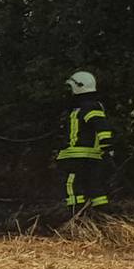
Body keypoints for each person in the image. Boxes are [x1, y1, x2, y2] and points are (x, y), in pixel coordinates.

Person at [57, 70, 113, 211]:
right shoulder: (83, 107)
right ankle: (103, 218)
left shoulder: (88, 107)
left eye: (70, 87)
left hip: (77, 157)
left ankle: (77, 218)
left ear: (78, 87)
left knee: (71, 185)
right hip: (90, 156)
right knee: (94, 186)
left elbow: (101, 125)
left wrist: (106, 144)